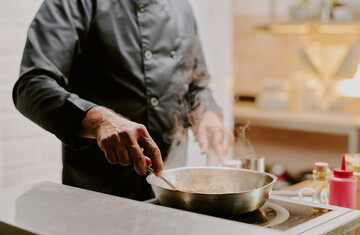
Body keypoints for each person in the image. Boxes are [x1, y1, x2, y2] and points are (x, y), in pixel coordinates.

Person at [13, 0, 234, 200]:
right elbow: (31, 85)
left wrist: (208, 113)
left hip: (170, 196)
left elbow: (196, 84)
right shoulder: (73, 3)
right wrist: (97, 119)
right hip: (97, 197)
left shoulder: (181, 7)